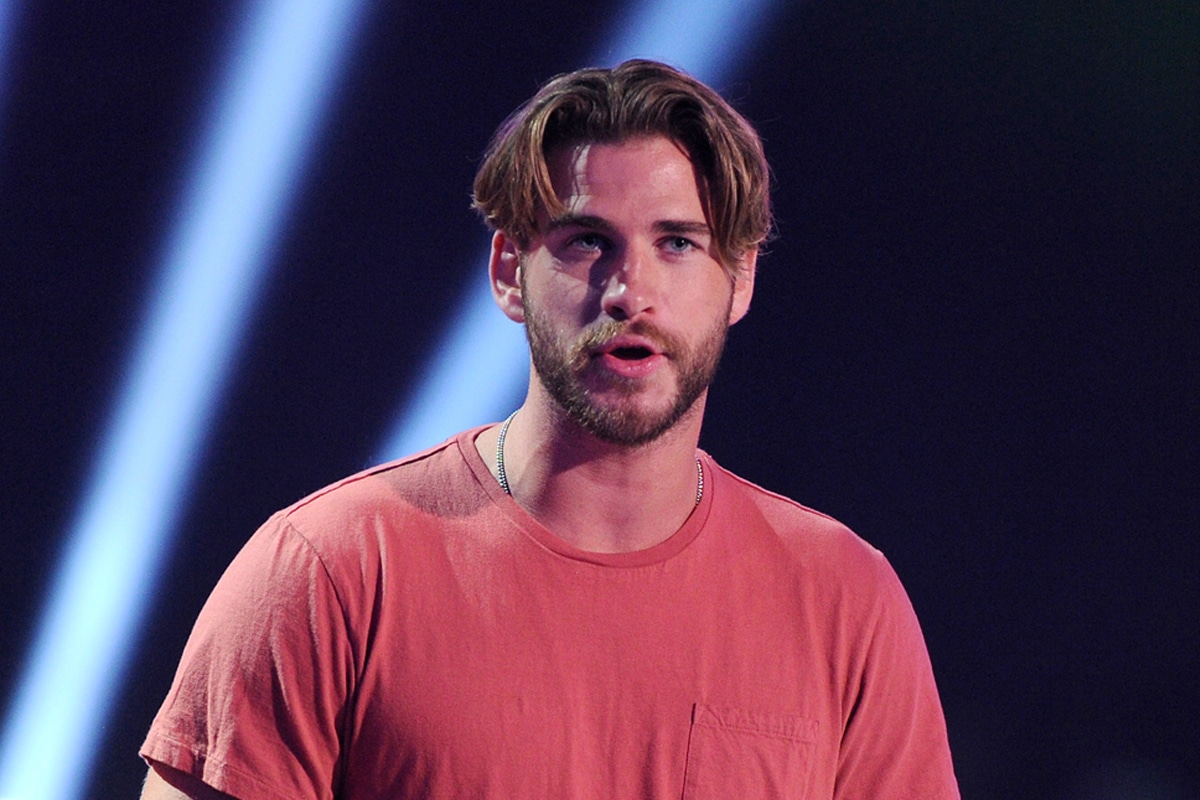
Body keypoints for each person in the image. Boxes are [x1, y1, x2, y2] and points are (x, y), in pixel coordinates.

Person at [139, 59, 959, 799]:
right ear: (509, 273)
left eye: (677, 243)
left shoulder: (844, 603)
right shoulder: (330, 572)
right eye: (587, 242)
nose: (629, 291)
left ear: (740, 279)